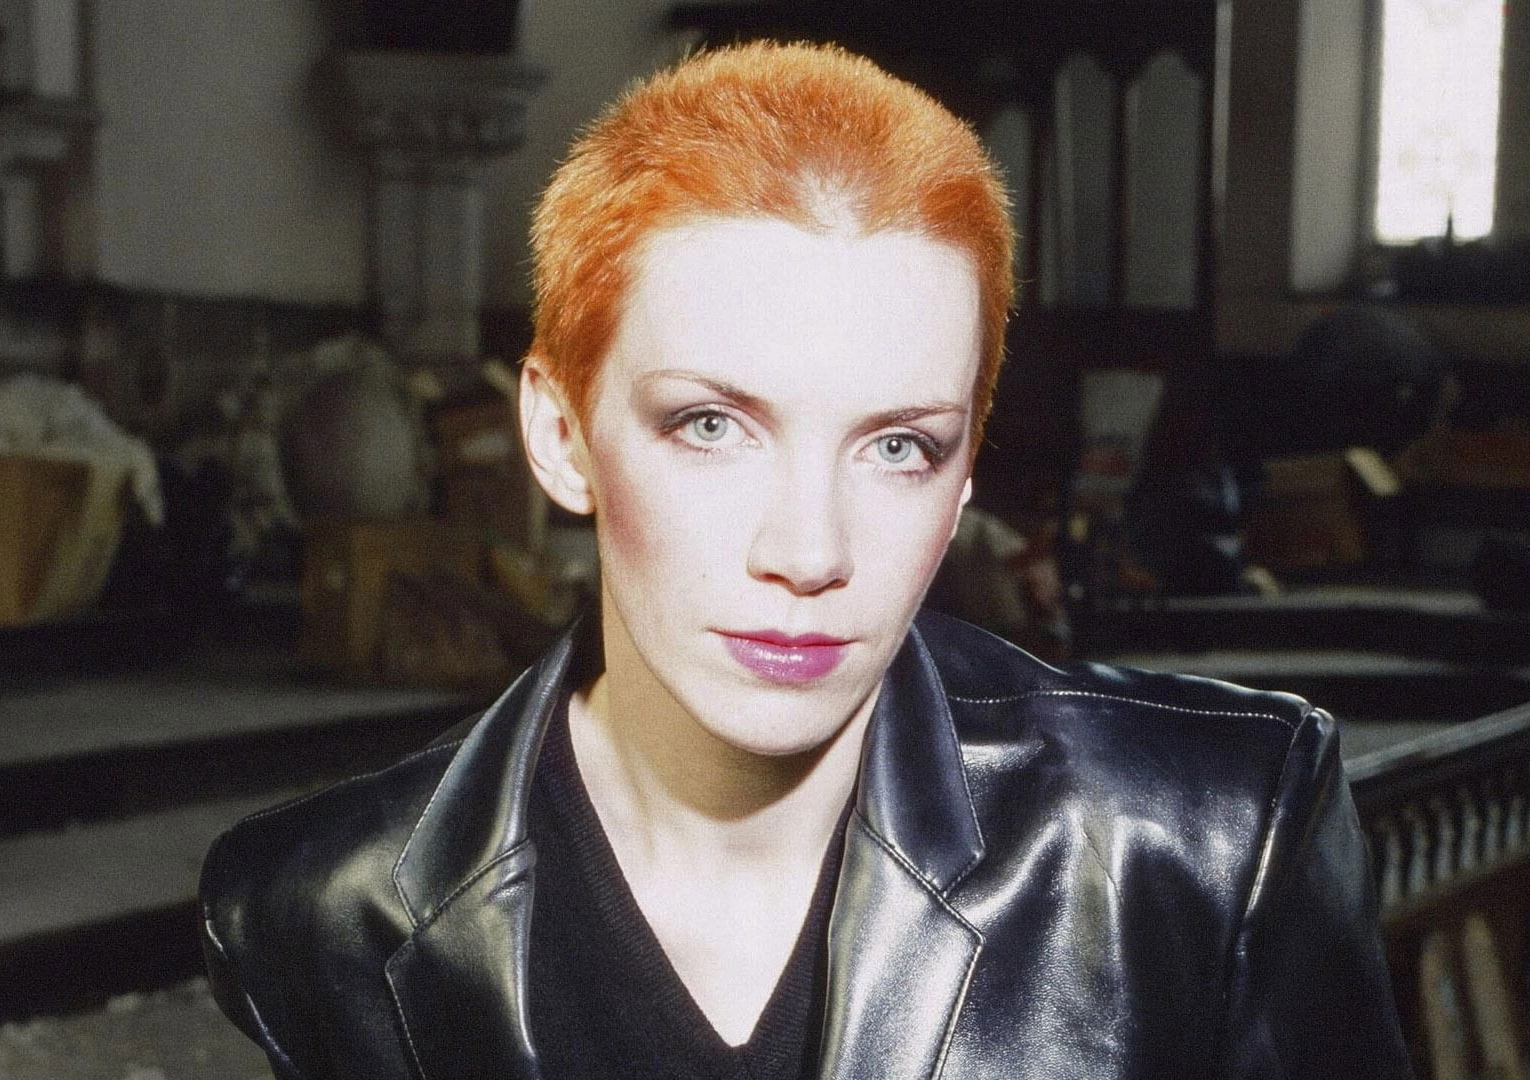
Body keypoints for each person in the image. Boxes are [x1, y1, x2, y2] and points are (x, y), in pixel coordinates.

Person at [200, 41, 1412, 1079]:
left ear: (966, 474)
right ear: (561, 437)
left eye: (899, 447)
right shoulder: (321, 912)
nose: (811, 552)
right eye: (710, 426)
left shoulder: (1203, 847)